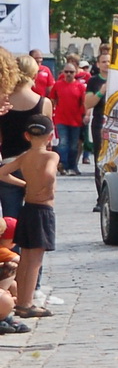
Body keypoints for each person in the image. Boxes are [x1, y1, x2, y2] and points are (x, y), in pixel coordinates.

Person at [0, 116, 56, 317]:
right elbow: (49, 174)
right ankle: (27, 303)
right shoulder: (51, 157)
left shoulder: (24, 157)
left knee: (25, 257)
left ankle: (22, 300)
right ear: (50, 136)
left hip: (27, 208)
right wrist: (47, 188)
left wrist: (25, 185)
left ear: (26, 135)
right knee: (35, 259)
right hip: (43, 210)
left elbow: (3, 173)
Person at [1, 54, 49, 219]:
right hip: (35, 164)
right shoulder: (43, 103)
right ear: (34, 74)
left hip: (8, 163)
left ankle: (10, 246)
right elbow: (47, 138)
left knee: (10, 220)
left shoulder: (4, 101)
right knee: (35, 221)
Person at [48, 62, 85, 175]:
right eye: (66, 72)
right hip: (61, 119)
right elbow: (52, 100)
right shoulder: (58, 85)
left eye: (71, 72)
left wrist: (84, 115)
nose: (68, 74)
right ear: (63, 72)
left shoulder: (80, 86)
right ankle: (63, 165)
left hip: (76, 120)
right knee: (63, 143)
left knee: (74, 145)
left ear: (76, 73)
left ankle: (73, 166)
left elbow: (84, 103)